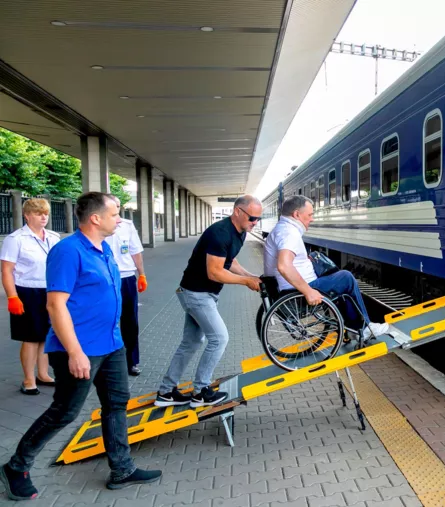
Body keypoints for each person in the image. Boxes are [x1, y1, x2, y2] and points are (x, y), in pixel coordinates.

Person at [0, 192, 161, 501]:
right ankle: (16, 466)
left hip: (111, 343)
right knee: (65, 411)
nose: (120, 219)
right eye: (115, 214)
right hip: (80, 348)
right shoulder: (68, 251)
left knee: (116, 403)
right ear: (95, 218)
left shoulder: (104, 249)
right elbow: (55, 305)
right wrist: (74, 351)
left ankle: (122, 469)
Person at [154, 195, 262, 408]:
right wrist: (245, 282)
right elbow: (214, 272)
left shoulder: (239, 232)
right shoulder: (219, 233)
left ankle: (166, 393)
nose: (255, 223)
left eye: (258, 219)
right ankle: (201, 392)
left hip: (201, 293)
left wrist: (252, 277)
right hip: (197, 293)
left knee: (191, 342)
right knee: (219, 338)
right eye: (252, 218)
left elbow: (230, 262)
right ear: (238, 211)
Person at [263, 195, 389, 339]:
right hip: (296, 294)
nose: (312, 219)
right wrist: (308, 291)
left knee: (333, 275)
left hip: (287, 291)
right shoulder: (289, 233)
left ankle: (351, 327)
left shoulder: (281, 229)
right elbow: (284, 266)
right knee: (346, 278)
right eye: (310, 215)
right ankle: (364, 328)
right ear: (296, 214)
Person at [0, 198, 59, 395]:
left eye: (46, 213)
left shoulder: (53, 236)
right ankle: (28, 379)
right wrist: (12, 297)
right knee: (30, 338)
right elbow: (7, 271)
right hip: (27, 291)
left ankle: (43, 374)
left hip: (49, 290)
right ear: (27, 215)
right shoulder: (16, 239)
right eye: (38, 213)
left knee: (45, 336)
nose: (44, 217)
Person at [105, 196, 147, 376]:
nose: (117, 211)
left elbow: (135, 251)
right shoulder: (99, 227)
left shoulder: (127, 226)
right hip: (106, 280)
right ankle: (106, 362)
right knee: (107, 320)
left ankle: (131, 361)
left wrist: (141, 274)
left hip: (127, 277)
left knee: (130, 322)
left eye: (118, 207)